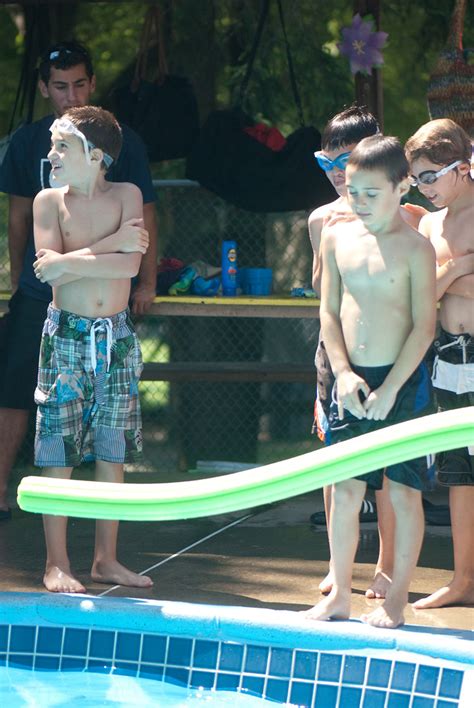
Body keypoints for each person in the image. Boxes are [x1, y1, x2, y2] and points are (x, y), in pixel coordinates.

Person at [0, 41, 158, 520]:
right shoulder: (31, 142)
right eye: (61, 85)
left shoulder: (118, 141)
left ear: (93, 83)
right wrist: (19, 277)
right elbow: (19, 219)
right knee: (16, 392)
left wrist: (145, 282)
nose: (71, 94)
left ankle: (105, 546)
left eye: (80, 84)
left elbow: (141, 226)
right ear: (46, 88)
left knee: (111, 434)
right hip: (43, 298)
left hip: (109, 314)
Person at [304, 135, 436, 628]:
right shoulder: (339, 237)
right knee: (344, 490)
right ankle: (339, 592)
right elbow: (329, 313)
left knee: (403, 494)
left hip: (401, 385)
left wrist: (391, 390)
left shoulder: (416, 249)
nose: (357, 202)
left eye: (369, 193)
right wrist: (340, 373)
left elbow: (425, 327)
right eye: (352, 191)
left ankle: (397, 597)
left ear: (402, 187)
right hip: (350, 383)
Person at [32, 104, 153, 593]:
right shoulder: (48, 202)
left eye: (63, 146)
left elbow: (127, 270)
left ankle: (106, 558)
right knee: (57, 449)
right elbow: (46, 270)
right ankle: (55, 562)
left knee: (112, 450)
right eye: (53, 144)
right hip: (65, 338)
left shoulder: (129, 194)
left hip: (117, 340)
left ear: (97, 155)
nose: (52, 154)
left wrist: (72, 261)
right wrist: (113, 244)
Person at [405, 118, 474, 609]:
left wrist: (441, 278)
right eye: (416, 178)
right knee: (458, 473)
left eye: (430, 176)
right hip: (449, 355)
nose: (423, 187)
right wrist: (457, 268)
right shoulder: (430, 224)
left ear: (463, 167)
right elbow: (420, 295)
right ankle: (462, 579)